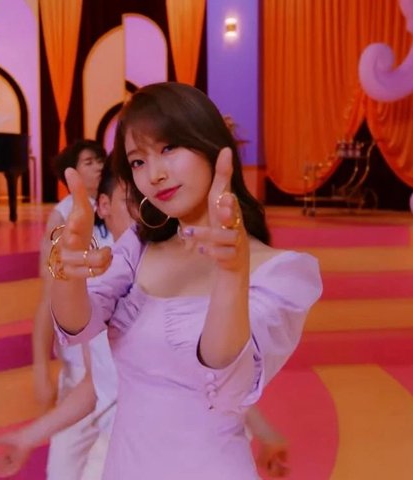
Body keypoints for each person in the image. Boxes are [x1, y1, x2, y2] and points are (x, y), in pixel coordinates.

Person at [49, 82, 322, 479]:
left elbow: (228, 384)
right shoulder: (139, 246)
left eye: (169, 148)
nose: (155, 175)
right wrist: (65, 271)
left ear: (211, 145)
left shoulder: (281, 273)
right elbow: (77, 326)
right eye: (138, 162)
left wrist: (231, 277)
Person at [0, 161, 132, 479]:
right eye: (131, 200)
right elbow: (95, 381)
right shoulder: (90, 265)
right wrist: (28, 435)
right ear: (104, 206)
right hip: (91, 399)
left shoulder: (172, 276)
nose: (142, 212)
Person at [32, 140, 116, 480]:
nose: (97, 167)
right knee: (64, 464)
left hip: (115, 362)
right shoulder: (64, 215)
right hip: (79, 365)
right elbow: (49, 299)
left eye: (100, 160)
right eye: (88, 162)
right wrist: (41, 367)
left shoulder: (119, 209)